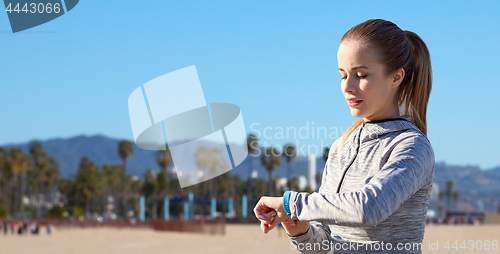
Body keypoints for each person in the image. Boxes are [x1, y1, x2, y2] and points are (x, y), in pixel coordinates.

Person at [253, 19, 434, 254]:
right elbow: (324, 246)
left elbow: (368, 208)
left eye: (361, 74)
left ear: (395, 77)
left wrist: (292, 204)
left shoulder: (412, 146)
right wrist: (300, 229)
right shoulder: (343, 145)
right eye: (343, 75)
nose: (347, 86)